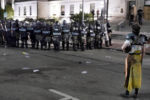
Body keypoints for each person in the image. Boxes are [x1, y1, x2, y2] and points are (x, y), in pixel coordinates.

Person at [121, 23, 147, 98]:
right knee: (137, 75)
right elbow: (143, 50)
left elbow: (123, 47)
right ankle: (136, 92)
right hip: (138, 57)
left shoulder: (130, 36)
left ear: (132, 29)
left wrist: (124, 49)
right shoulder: (142, 37)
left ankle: (127, 92)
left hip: (131, 57)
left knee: (128, 74)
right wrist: (141, 59)